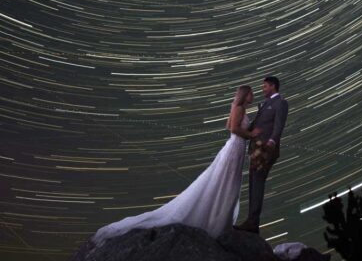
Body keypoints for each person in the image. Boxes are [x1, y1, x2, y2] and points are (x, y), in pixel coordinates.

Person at [91, 84, 259, 246]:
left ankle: (220, 218)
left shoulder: (238, 108)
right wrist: (251, 134)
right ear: (245, 95)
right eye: (251, 93)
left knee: (227, 182)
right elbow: (233, 129)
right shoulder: (239, 108)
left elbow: (228, 125)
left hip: (236, 148)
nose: (253, 95)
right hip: (235, 147)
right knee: (226, 182)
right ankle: (217, 220)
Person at [235, 75, 289, 234]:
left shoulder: (281, 103)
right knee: (253, 182)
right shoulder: (266, 103)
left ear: (272, 86)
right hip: (256, 148)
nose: (262, 89)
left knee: (257, 181)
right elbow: (256, 125)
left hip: (265, 148)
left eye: (264, 86)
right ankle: (252, 221)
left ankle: (252, 221)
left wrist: (272, 142)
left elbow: (279, 124)